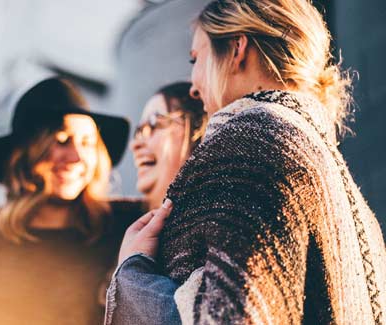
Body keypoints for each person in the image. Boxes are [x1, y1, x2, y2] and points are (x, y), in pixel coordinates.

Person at [107, 0, 386, 324]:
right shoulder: (351, 200)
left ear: (237, 48)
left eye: (196, 59)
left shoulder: (249, 144)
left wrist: (132, 272)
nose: (194, 87)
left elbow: (227, 317)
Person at [0, 77, 145, 325]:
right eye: (62, 141)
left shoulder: (124, 227)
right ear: (27, 153)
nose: (77, 157)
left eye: (87, 143)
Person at [131, 82, 206, 209]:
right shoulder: (111, 222)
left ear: (198, 132)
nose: (135, 145)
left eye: (154, 123)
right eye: (139, 131)